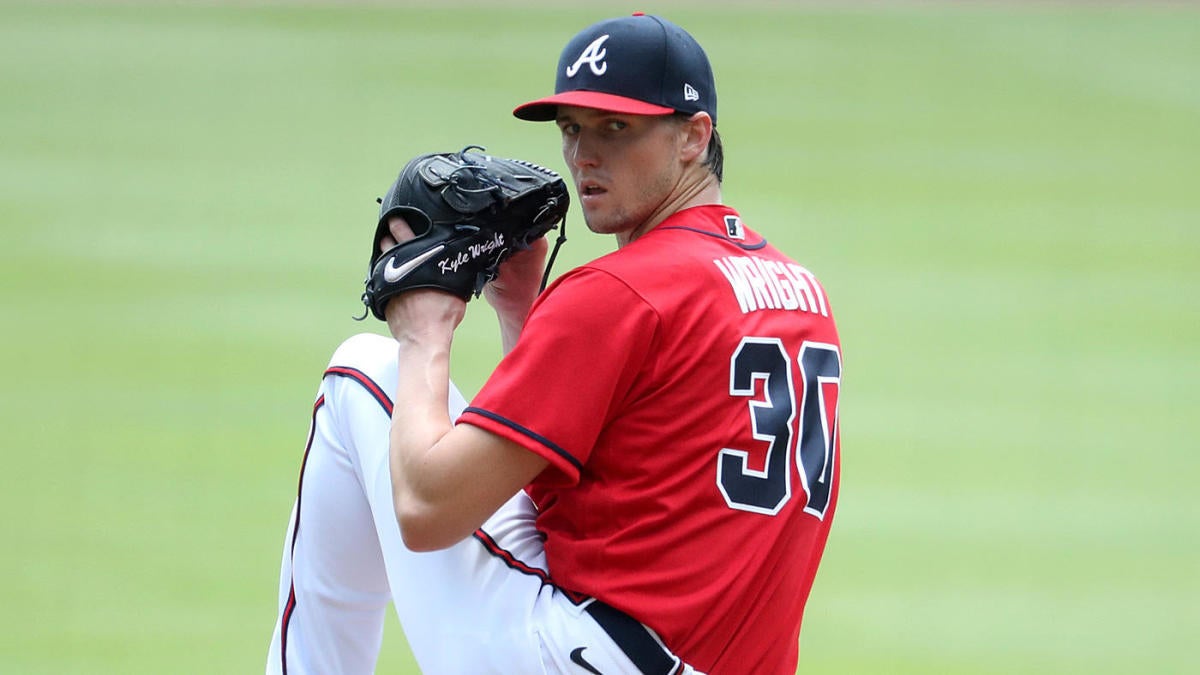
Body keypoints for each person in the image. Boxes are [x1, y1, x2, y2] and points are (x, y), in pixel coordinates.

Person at [382, 11, 843, 675]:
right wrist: (525, 313)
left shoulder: (618, 292)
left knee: (361, 372)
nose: (582, 156)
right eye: (572, 128)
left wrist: (423, 333)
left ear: (694, 136)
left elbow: (425, 510)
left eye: (615, 128)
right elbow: (620, 472)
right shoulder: (802, 293)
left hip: (593, 655)